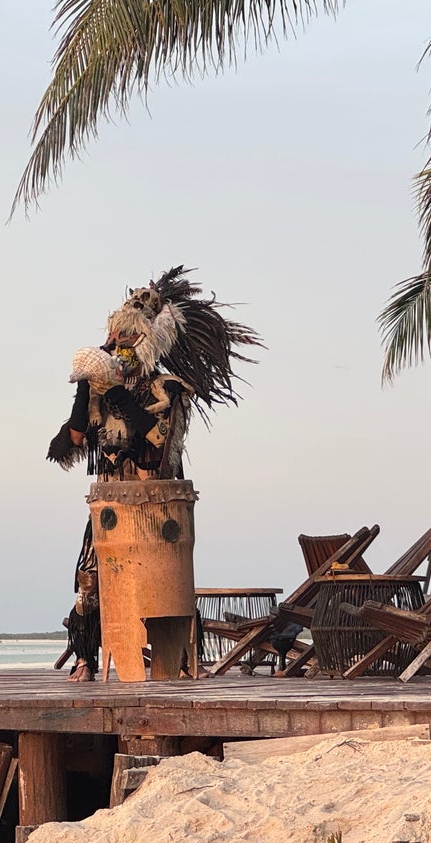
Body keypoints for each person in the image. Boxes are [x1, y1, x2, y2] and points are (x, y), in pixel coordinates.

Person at [47, 266, 259, 681]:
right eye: (114, 337)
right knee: (90, 583)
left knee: (163, 586)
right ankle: (87, 657)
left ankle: (176, 660)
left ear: (150, 339)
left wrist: (120, 397)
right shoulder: (101, 393)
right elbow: (73, 439)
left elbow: (156, 441)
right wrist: (85, 388)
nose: (118, 345)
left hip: (156, 502)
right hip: (110, 502)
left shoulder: (169, 388)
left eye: (128, 337)